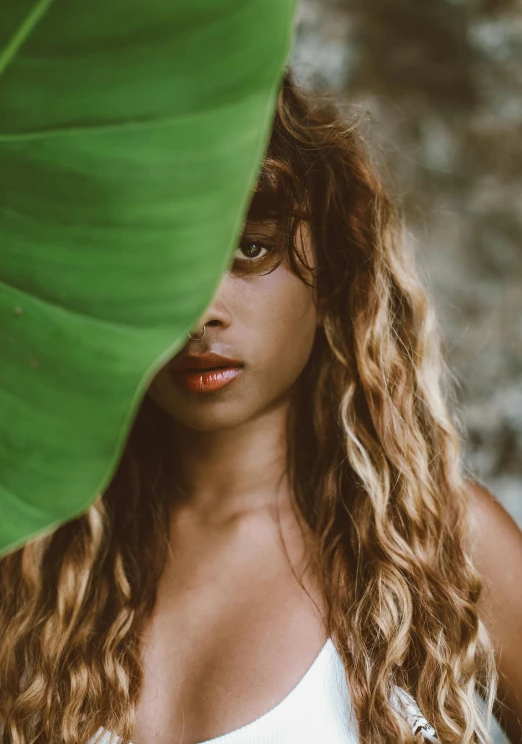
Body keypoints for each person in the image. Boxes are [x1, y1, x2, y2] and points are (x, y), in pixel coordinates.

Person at [1, 72, 521, 744]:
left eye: (251, 248)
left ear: (335, 266)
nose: (202, 314)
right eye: (162, 265)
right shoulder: (40, 561)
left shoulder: (438, 541)